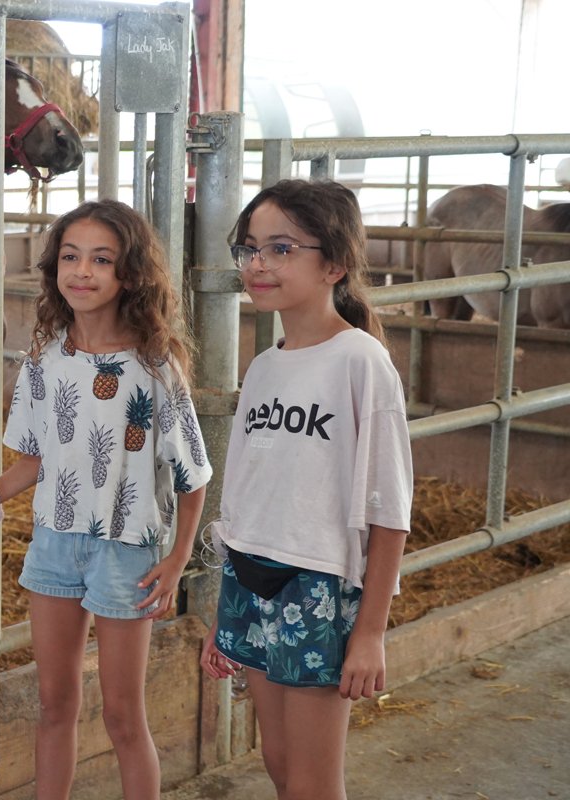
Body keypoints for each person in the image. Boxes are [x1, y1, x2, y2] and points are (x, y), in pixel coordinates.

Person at [0, 199, 211, 799]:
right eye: (70, 257)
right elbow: (35, 458)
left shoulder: (155, 366)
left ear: (129, 274)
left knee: (122, 715)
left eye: (101, 260)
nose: (82, 271)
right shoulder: (46, 358)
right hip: (55, 543)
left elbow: (192, 475)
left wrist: (177, 558)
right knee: (54, 703)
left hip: (127, 550)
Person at [200, 179, 413, 800]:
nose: (258, 264)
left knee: (313, 783)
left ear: (335, 264)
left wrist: (369, 632)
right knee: (278, 760)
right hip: (251, 574)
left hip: (316, 585)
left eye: (282, 248)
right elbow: (243, 492)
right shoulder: (265, 367)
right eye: (249, 248)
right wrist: (225, 612)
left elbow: (389, 508)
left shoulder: (359, 361)